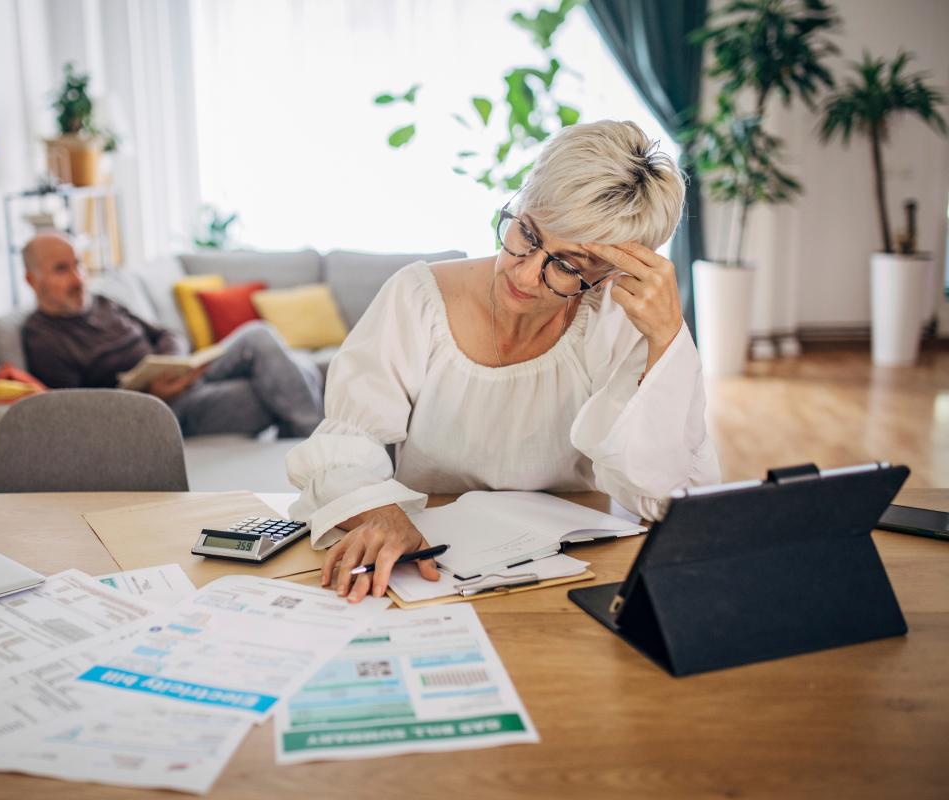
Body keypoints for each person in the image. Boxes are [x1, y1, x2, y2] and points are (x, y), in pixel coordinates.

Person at [286, 120, 722, 602]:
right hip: (427, 566)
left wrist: (665, 340)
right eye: (528, 234)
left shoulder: (616, 323)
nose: (527, 273)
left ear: (609, 275)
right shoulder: (418, 298)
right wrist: (378, 512)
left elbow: (661, 496)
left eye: (567, 265)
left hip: (573, 573)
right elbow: (348, 441)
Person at [20, 232, 324, 437]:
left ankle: (311, 436)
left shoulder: (102, 303)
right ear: (32, 280)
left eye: (79, 265)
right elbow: (82, 414)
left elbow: (166, 333)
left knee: (259, 335)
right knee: (287, 380)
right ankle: (318, 444)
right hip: (163, 409)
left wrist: (173, 364)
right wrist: (151, 393)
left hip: (184, 374)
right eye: (62, 269)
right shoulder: (43, 338)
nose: (78, 279)